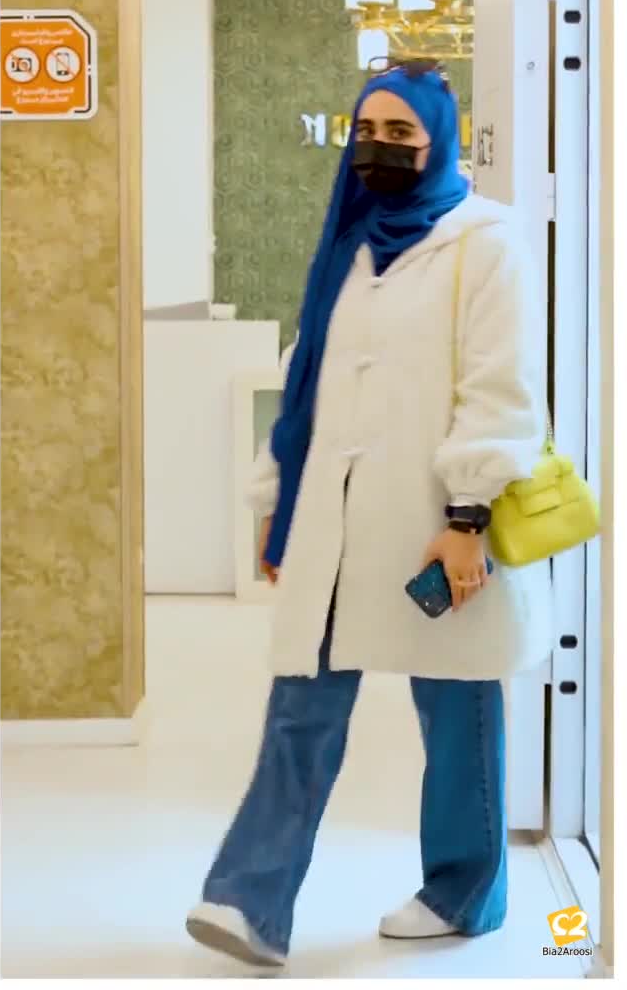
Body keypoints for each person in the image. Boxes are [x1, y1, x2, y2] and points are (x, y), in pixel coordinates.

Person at [186, 60, 553, 968]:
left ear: (439, 141)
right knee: (301, 705)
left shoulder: (486, 242)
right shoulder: (347, 245)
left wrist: (467, 515)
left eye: (401, 134)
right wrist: (277, 506)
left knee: (457, 705)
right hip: (335, 524)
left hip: (436, 523)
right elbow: (306, 383)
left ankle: (464, 892)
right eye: (367, 132)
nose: (379, 149)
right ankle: (249, 902)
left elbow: (500, 386)